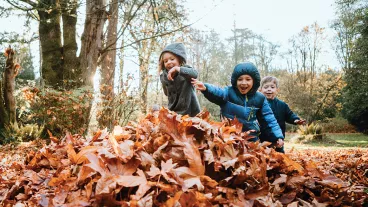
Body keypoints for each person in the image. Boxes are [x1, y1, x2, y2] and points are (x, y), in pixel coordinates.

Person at [191, 62, 283, 143]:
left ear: (254, 81)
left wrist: (278, 136)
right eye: (240, 79)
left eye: (248, 79)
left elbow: (269, 118)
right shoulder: (228, 93)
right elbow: (218, 92)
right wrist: (206, 88)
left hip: (250, 137)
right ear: (235, 81)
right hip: (229, 135)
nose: (243, 83)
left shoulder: (260, 98)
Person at [259, 76, 306, 153]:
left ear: (277, 90)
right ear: (260, 90)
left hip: (278, 140)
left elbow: (289, 114)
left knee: (280, 158)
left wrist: (295, 120)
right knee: (263, 158)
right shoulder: (258, 104)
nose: (269, 89)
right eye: (266, 87)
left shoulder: (282, 105)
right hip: (262, 139)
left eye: (272, 87)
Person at [159, 42, 200, 117]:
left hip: (190, 113)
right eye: (166, 61)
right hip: (174, 113)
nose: (169, 62)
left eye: (172, 59)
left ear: (180, 60)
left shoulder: (185, 71)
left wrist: (178, 69)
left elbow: (195, 74)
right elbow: (166, 93)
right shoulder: (163, 77)